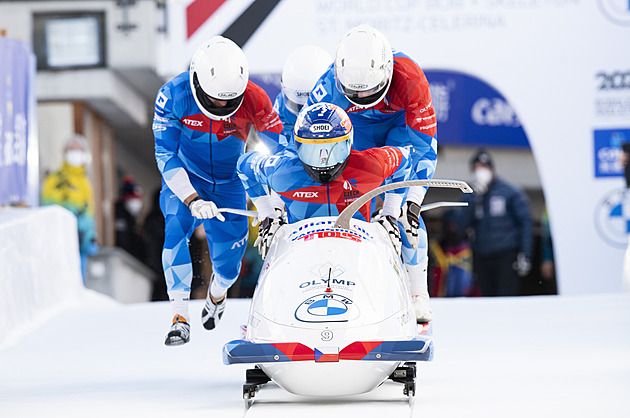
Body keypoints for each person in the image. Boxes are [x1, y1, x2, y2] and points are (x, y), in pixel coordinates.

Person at [152, 35, 286, 346]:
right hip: (186, 178)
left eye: (230, 100)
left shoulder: (256, 99)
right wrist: (192, 198)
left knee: (229, 266)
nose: (223, 106)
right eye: (215, 100)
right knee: (175, 228)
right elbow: (165, 155)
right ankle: (179, 316)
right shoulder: (173, 95)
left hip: (231, 183)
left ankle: (217, 293)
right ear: (198, 83)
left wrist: (270, 205)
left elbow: (276, 156)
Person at [306, 24, 438, 322]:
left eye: (370, 92)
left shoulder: (411, 79)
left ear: (387, 75)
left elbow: (425, 149)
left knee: (404, 211)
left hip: (400, 129)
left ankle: (418, 294)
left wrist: (413, 201)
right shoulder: (324, 91)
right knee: (351, 205)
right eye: (354, 93)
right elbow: (314, 150)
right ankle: (349, 286)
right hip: (354, 134)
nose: (362, 97)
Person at [237, 102, 413, 302]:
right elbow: (244, 165)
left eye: (333, 150)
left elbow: (404, 160)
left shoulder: (370, 165)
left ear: (348, 143)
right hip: (300, 260)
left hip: (357, 257)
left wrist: (390, 214)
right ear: (297, 147)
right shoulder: (283, 172)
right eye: (313, 151)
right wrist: (269, 214)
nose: (323, 161)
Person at [455, 149, 533, 296]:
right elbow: (461, 226)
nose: (480, 172)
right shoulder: (469, 194)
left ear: (491, 169)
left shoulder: (510, 192)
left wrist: (525, 253)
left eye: (483, 168)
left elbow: (525, 223)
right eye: (477, 168)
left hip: (506, 254)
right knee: (486, 296)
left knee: (505, 296)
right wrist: (474, 198)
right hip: (481, 255)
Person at [41, 134, 98, 282]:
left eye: (79, 150)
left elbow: (89, 212)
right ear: (64, 153)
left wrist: (91, 236)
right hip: (62, 242)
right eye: (72, 150)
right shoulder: (55, 180)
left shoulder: (85, 182)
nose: (76, 154)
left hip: (82, 242)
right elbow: (50, 209)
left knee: (80, 282)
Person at [274, 45, 333, 140]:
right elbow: (279, 140)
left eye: (311, 105)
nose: (304, 111)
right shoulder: (281, 107)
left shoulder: (341, 101)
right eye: (299, 106)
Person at [114, 175, 146, 262]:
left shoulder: (132, 219)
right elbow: (122, 240)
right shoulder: (118, 213)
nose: (136, 203)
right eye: (133, 198)